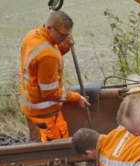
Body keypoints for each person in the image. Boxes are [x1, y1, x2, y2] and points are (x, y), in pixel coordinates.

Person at [19, 10, 90, 142]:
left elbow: (43, 64)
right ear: (50, 28)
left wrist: (64, 47)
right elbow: (50, 92)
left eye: (68, 35)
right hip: (45, 112)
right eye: (63, 35)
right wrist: (76, 97)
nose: (65, 38)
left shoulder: (33, 35)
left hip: (33, 104)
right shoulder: (47, 54)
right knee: (56, 148)